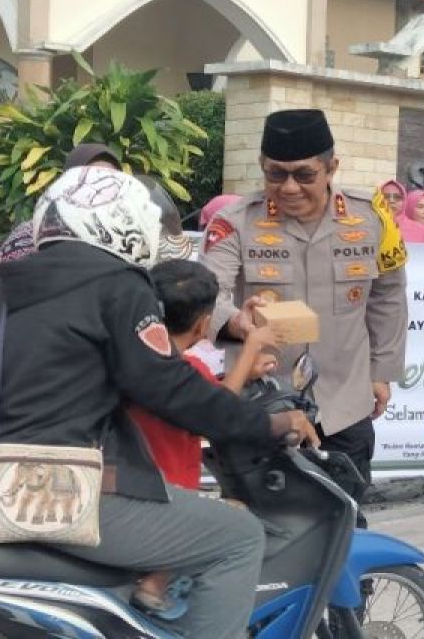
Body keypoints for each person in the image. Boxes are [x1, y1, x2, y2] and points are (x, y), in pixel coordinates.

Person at [0, 166, 316, 639]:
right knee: (237, 537)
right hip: (51, 490)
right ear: (125, 223)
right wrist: (267, 424)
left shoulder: (14, 289)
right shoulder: (117, 284)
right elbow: (167, 386)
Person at [201, 109, 409, 524]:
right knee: (263, 531)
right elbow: (208, 296)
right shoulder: (234, 223)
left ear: (332, 167)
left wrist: (381, 372)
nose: (289, 187)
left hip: (344, 404)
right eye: (275, 175)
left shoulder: (372, 217)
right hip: (264, 408)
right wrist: (238, 322)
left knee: (345, 530)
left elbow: (388, 294)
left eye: (304, 174)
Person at [129, 258, 280, 619]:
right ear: (202, 325)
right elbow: (217, 412)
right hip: (170, 493)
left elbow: (210, 393)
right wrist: (251, 348)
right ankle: (156, 584)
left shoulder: (144, 358)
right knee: (238, 519)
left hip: (138, 483)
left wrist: (245, 361)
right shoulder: (185, 368)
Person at [0, 143, 122, 261]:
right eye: (92, 179)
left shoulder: (125, 240)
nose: (101, 189)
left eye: (110, 181)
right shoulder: (30, 237)